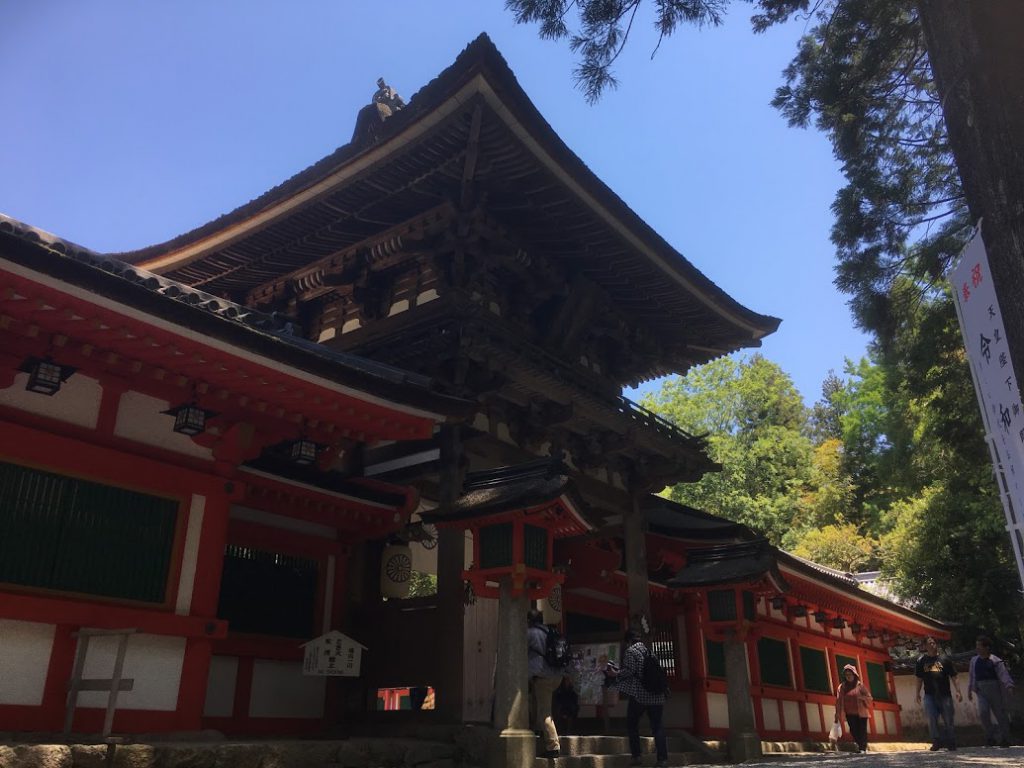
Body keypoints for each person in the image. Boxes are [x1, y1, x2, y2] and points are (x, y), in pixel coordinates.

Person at [606, 629, 668, 768]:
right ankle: (662, 759)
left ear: (628, 641)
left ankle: (636, 756)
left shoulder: (630, 652)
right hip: (657, 695)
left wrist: (615, 673)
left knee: (632, 724)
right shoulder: (650, 651)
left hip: (640, 695)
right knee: (657, 727)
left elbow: (629, 671)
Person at [914, 636, 963, 751]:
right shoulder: (922, 661)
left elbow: (954, 676)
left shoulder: (944, 659)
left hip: (945, 694)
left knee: (948, 718)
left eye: (934, 643)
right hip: (929, 695)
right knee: (931, 718)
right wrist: (917, 693)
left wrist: (958, 691)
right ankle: (936, 740)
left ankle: (951, 740)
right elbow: (919, 678)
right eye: (929, 643)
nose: (932, 645)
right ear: (925, 646)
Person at [968, 635, 1015, 747]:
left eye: (979, 646)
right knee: (983, 712)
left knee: (1000, 714)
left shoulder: (995, 660)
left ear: (987, 647)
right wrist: (970, 689)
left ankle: (1005, 738)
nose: (977, 648)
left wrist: (1009, 685)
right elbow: (971, 675)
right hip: (980, 689)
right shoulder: (974, 661)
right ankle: (990, 737)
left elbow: (1003, 674)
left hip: (994, 689)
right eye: (977, 646)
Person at [527, 608, 563, 758]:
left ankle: (553, 745)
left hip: (543, 676)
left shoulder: (529, 633)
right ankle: (538, 730)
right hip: (557, 675)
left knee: (544, 712)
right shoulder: (550, 631)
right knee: (537, 702)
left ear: (529, 621)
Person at [834, 664, 872, 753]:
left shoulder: (860, 686)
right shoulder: (842, 687)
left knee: (862, 730)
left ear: (854, 675)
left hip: (861, 712)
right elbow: (839, 700)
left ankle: (862, 748)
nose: (848, 676)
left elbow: (869, 697)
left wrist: (862, 698)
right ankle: (860, 745)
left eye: (850, 674)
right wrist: (838, 712)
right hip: (849, 713)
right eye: (846, 675)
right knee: (853, 730)